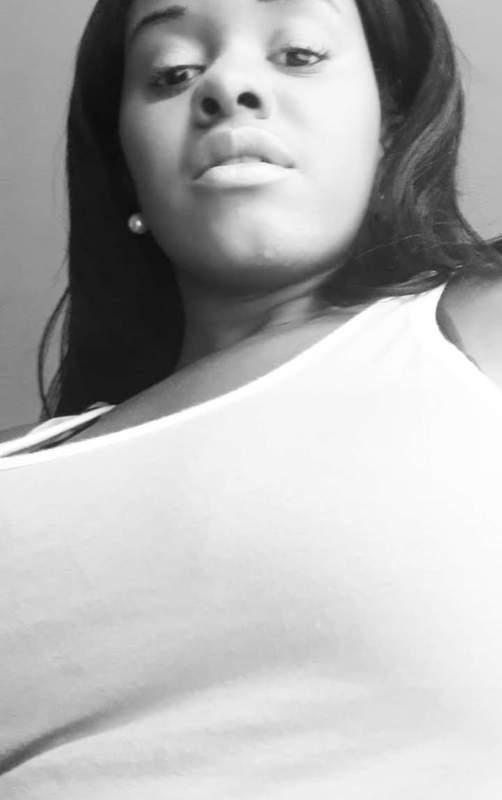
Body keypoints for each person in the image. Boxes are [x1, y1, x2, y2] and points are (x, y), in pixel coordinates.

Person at [1, 0, 501, 795]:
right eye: (173, 72)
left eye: (298, 53)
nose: (227, 85)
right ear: (126, 163)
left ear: (392, 121)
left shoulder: (474, 331)